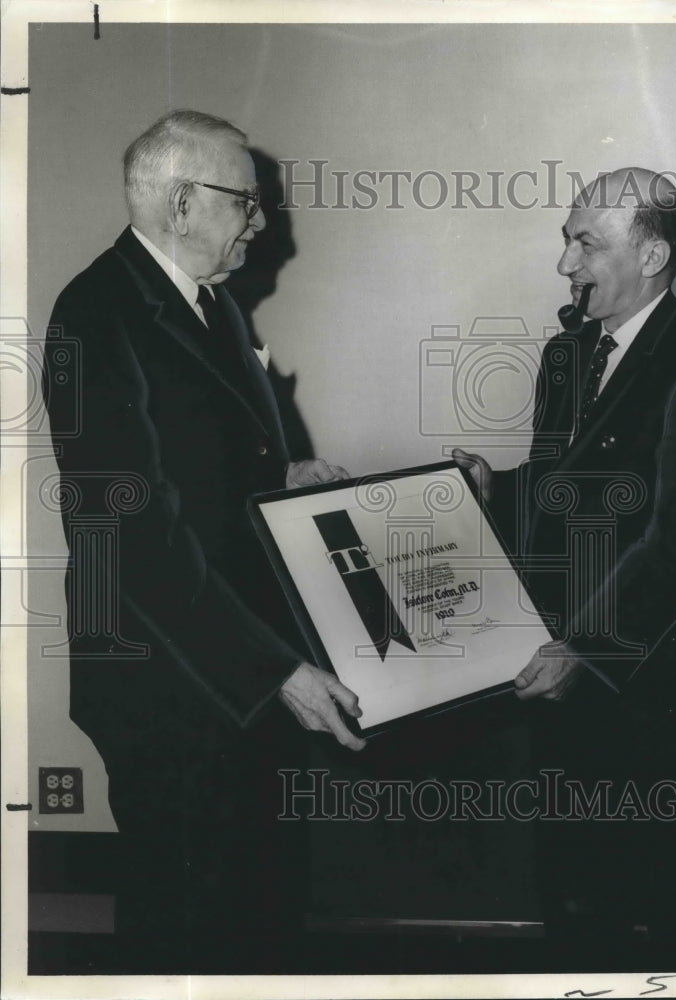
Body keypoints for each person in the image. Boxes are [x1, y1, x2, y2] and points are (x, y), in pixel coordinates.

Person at [43, 109, 365, 974]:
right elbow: (135, 532)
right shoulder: (92, 313)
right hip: (167, 684)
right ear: (184, 202)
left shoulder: (210, 306)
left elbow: (204, 476)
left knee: (249, 911)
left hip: (227, 669)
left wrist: (283, 483)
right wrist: (275, 670)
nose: (261, 225)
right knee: (186, 927)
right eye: (245, 203)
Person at [455, 167, 676, 968]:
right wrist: (499, 489)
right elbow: (568, 492)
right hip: (572, 688)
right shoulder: (567, 357)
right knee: (576, 895)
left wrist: (585, 648)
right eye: (566, 238)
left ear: (653, 253)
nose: (564, 264)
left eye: (584, 242)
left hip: (666, 700)